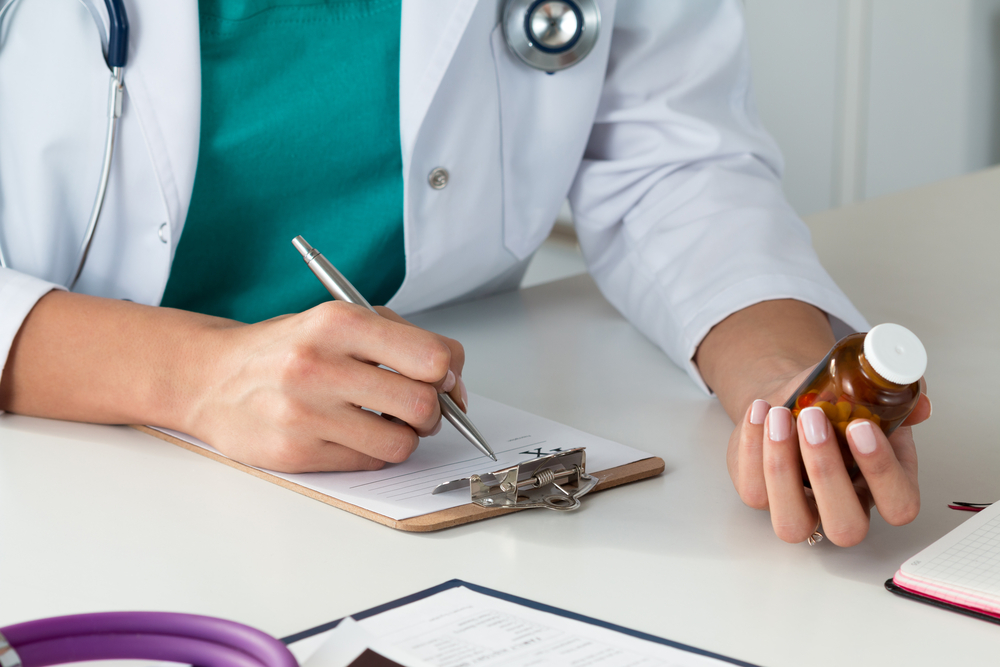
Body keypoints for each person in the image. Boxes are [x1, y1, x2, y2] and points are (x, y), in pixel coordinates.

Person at [0, 0, 929, 546]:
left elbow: (665, 156)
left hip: (403, 494)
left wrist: (780, 370)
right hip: (55, 473)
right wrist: (193, 374)